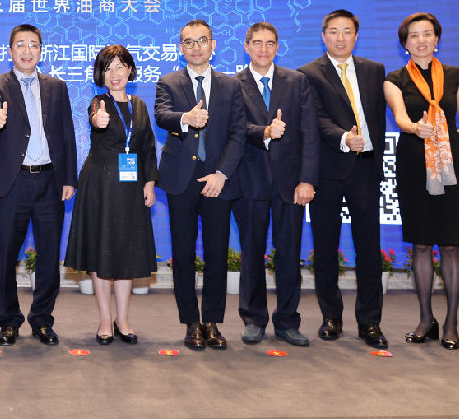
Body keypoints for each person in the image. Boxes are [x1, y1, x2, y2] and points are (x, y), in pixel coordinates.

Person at [383, 12, 459, 350]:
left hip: (451, 170)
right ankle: (426, 319)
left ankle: (451, 323)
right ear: (404, 43)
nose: (421, 40)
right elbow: (400, 117)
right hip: (412, 165)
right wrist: (416, 129)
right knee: (421, 244)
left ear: (436, 39)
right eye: (414, 35)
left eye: (427, 34)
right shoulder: (394, 80)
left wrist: (443, 153)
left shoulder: (456, 76)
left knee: (450, 245)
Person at [0, 24, 77, 347]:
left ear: (40, 51)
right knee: (7, 256)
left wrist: (69, 178)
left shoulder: (56, 86)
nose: (27, 50)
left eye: (33, 44)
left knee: (49, 256)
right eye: (20, 44)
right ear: (10, 51)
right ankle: (9, 321)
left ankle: (42, 320)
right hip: (13, 183)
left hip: (50, 181)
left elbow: (67, 133)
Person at [298, 10, 389, 349]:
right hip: (328, 169)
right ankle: (331, 317)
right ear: (324, 36)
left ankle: (370, 321)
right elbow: (314, 119)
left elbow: (378, 118)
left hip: (365, 168)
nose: (340, 38)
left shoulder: (374, 70)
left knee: (369, 248)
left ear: (356, 36)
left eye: (347, 31)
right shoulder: (308, 74)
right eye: (334, 31)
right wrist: (343, 137)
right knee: (325, 247)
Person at [155, 19, 245, 350]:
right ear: (181, 48)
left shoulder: (231, 85)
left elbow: (238, 132)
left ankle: (212, 322)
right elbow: (162, 115)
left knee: (217, 253)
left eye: (202, 40)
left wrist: (222, 174)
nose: (196, 47)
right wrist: (186, 118)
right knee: (183, 253)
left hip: (218, 180)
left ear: (213, 44)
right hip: (181, 179)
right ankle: (191, 322)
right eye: (189, 42)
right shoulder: (169, 82)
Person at [232, 22, 318, 347]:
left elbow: (309, 133)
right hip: (248, 183)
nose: (263, 49)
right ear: (246, 47)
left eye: (270, 43)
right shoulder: (232, 84)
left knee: (289, 254)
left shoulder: (296, 81)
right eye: (257, 43)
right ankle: (253, 319)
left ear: (278, 47)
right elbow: (234, 130)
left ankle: (287, 321)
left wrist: (307, 180)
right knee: (251, 255)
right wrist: (265, 132)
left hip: (290, 184)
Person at [65, 45, 158, 345]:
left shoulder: (140, 106)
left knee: (126, 252)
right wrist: (98, 121)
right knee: (102, 251)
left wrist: (150, 183)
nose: (114, 73)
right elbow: (96, 120)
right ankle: (105, 320)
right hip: (101, 186)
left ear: (130, 69)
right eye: (107, 68)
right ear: (101, 74)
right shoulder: (98, 102)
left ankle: (124, 320)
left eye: (119, 66)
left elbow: (147, 148)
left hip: (131, 188)